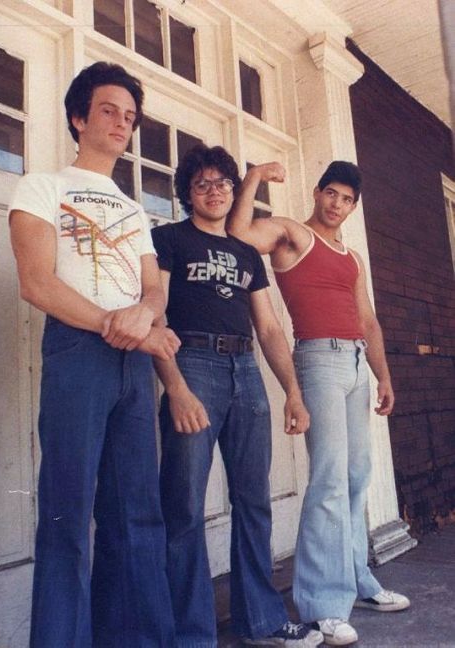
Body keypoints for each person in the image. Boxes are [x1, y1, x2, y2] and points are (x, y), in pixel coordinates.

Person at [8, 61, 179, 648]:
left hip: (134, 364)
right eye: (109, 110)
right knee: (68, 513)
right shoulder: (43, 186)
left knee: (138, 514)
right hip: (78, 351)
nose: (122, 123)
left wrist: (144, 316)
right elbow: (37, 282)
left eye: (130, 116)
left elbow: (154, 289)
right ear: (79, 118)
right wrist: (115, 322)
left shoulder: (133, 209)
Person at [228, 160, 410, 646]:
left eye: (347, 199)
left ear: (353, 206)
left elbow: (368, 321)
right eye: (332, 193)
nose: (337, 204)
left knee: (356, 476)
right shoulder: (292, 234)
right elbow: (240, 235)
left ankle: (357, 581)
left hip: (356, 362)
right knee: (329, 478)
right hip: (318, 359)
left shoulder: (352, 257)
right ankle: (324, 604)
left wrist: (383, 376)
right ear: (317, 192)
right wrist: (254, 178)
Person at [152, 144, 323, 648]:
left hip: (245, 370)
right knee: (184, 504)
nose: (214, 191)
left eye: (223, 183)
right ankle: (191, 634)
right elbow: (155, 315)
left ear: (233, 190)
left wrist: (293, 392)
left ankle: (261, 621)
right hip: (193, 364)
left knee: (253, 500)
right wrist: (175, 387)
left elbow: (268, 327)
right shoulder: (169, 239)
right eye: (202, 183)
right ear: (187, 192)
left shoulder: (247, 252)